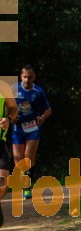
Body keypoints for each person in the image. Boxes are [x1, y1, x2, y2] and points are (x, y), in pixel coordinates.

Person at [11, 65, 52, 199]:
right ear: (20, 76)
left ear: (34, 77)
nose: (27, 79)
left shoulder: (38, 91)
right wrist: (11, 116)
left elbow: (48, 110)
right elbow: (5, 107)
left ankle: (27, 187)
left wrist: (42, 118)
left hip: (33, 127)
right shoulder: (14, 89)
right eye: (25, 76)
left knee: (28, 157)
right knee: (18, 159)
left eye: (30, 77)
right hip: (17, 128)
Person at [0, 80, 18, 228]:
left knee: (2, 182)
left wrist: (8, 119)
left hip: (0, 142)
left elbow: (13, 108)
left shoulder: (3, 86)